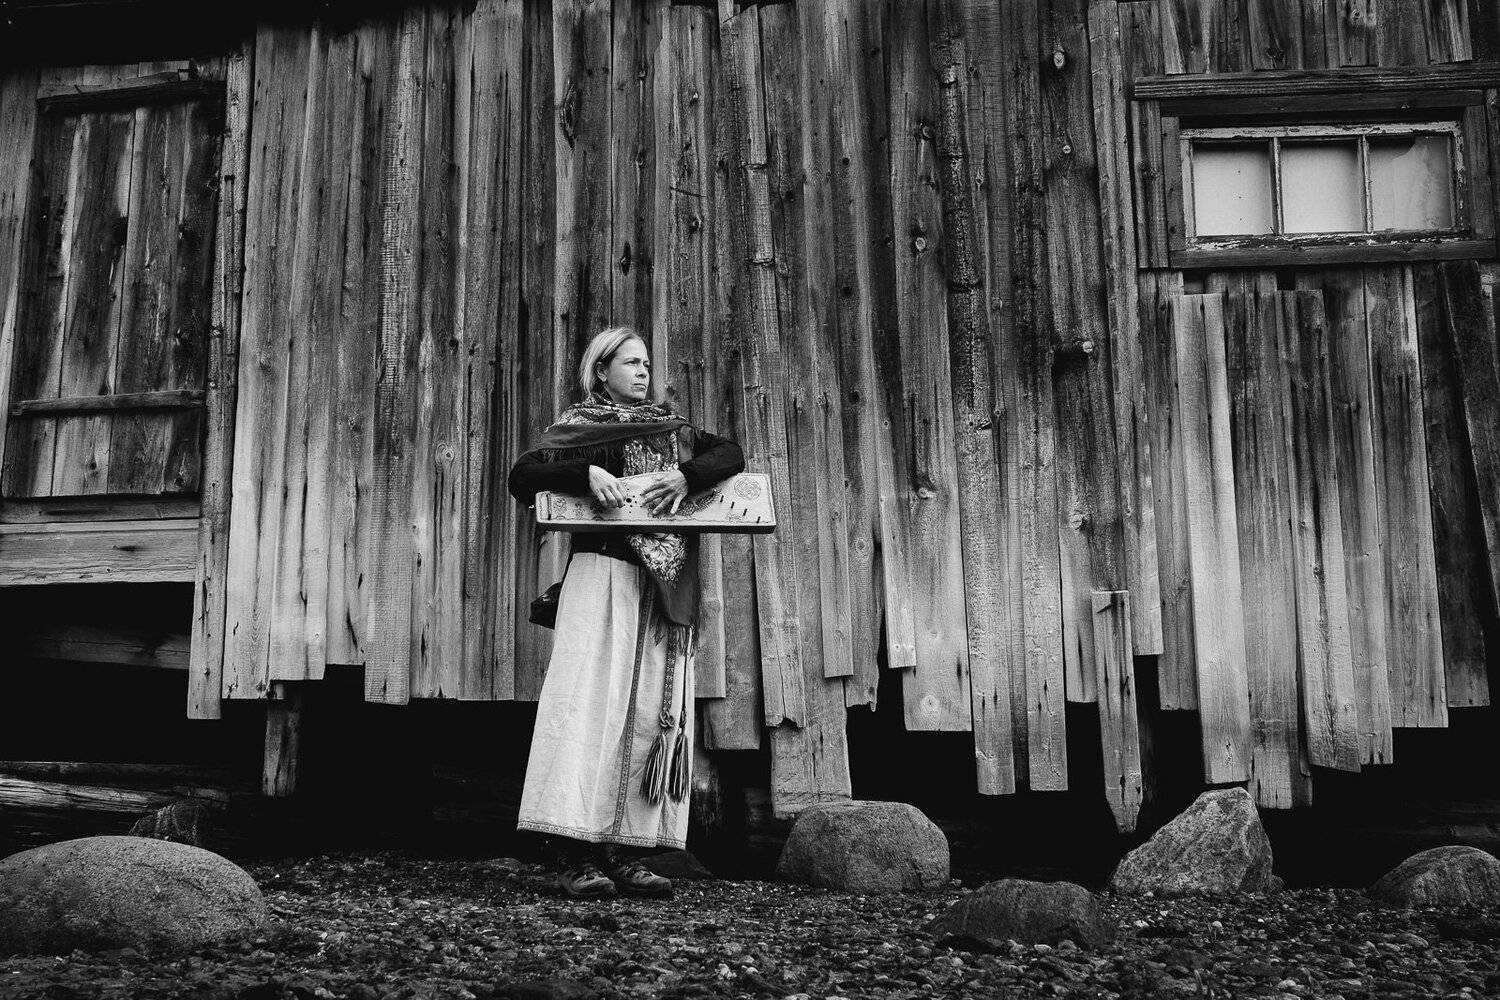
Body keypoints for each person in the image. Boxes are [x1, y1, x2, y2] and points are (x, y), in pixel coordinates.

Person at [507, 326, 744, 899]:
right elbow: (524, 476)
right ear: (601, 371)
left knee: (643, 713)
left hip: (657, 589)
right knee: (588, 707)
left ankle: (622, 854)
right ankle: (571, 855)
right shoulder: (582, 431)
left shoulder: (672, 431)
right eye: (631, 363)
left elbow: (731, 453)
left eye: (646, 364)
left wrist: (686, 474)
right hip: (602, 579)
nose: (643, 372)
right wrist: (583, 473)